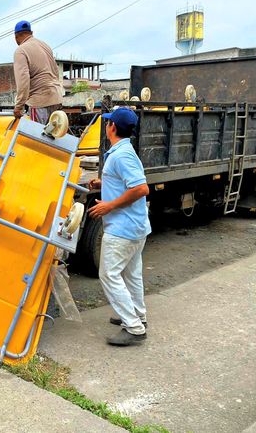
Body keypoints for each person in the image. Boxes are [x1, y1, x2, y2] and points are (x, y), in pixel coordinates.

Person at [87, 108, 151, 347]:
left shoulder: (121, 156)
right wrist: (104, 182)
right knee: (131, 274)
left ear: (112, 127)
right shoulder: (123, 152)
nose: (106, 126)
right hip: (134, 226)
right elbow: (127, 181)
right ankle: (138, 316)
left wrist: (109, 206)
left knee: (109, 274)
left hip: (122, 228)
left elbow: (141, 188)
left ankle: (133, 328)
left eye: (108, 123)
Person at [12, 20, 63, 124]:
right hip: (56, 98)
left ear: (16, 36)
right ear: (31, 33)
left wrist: (19, 106)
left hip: (39, 101)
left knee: (36, 134)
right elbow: (56, 71)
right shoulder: (45, 45)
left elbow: (23, 80)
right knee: (52, 134)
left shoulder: (21, 50)